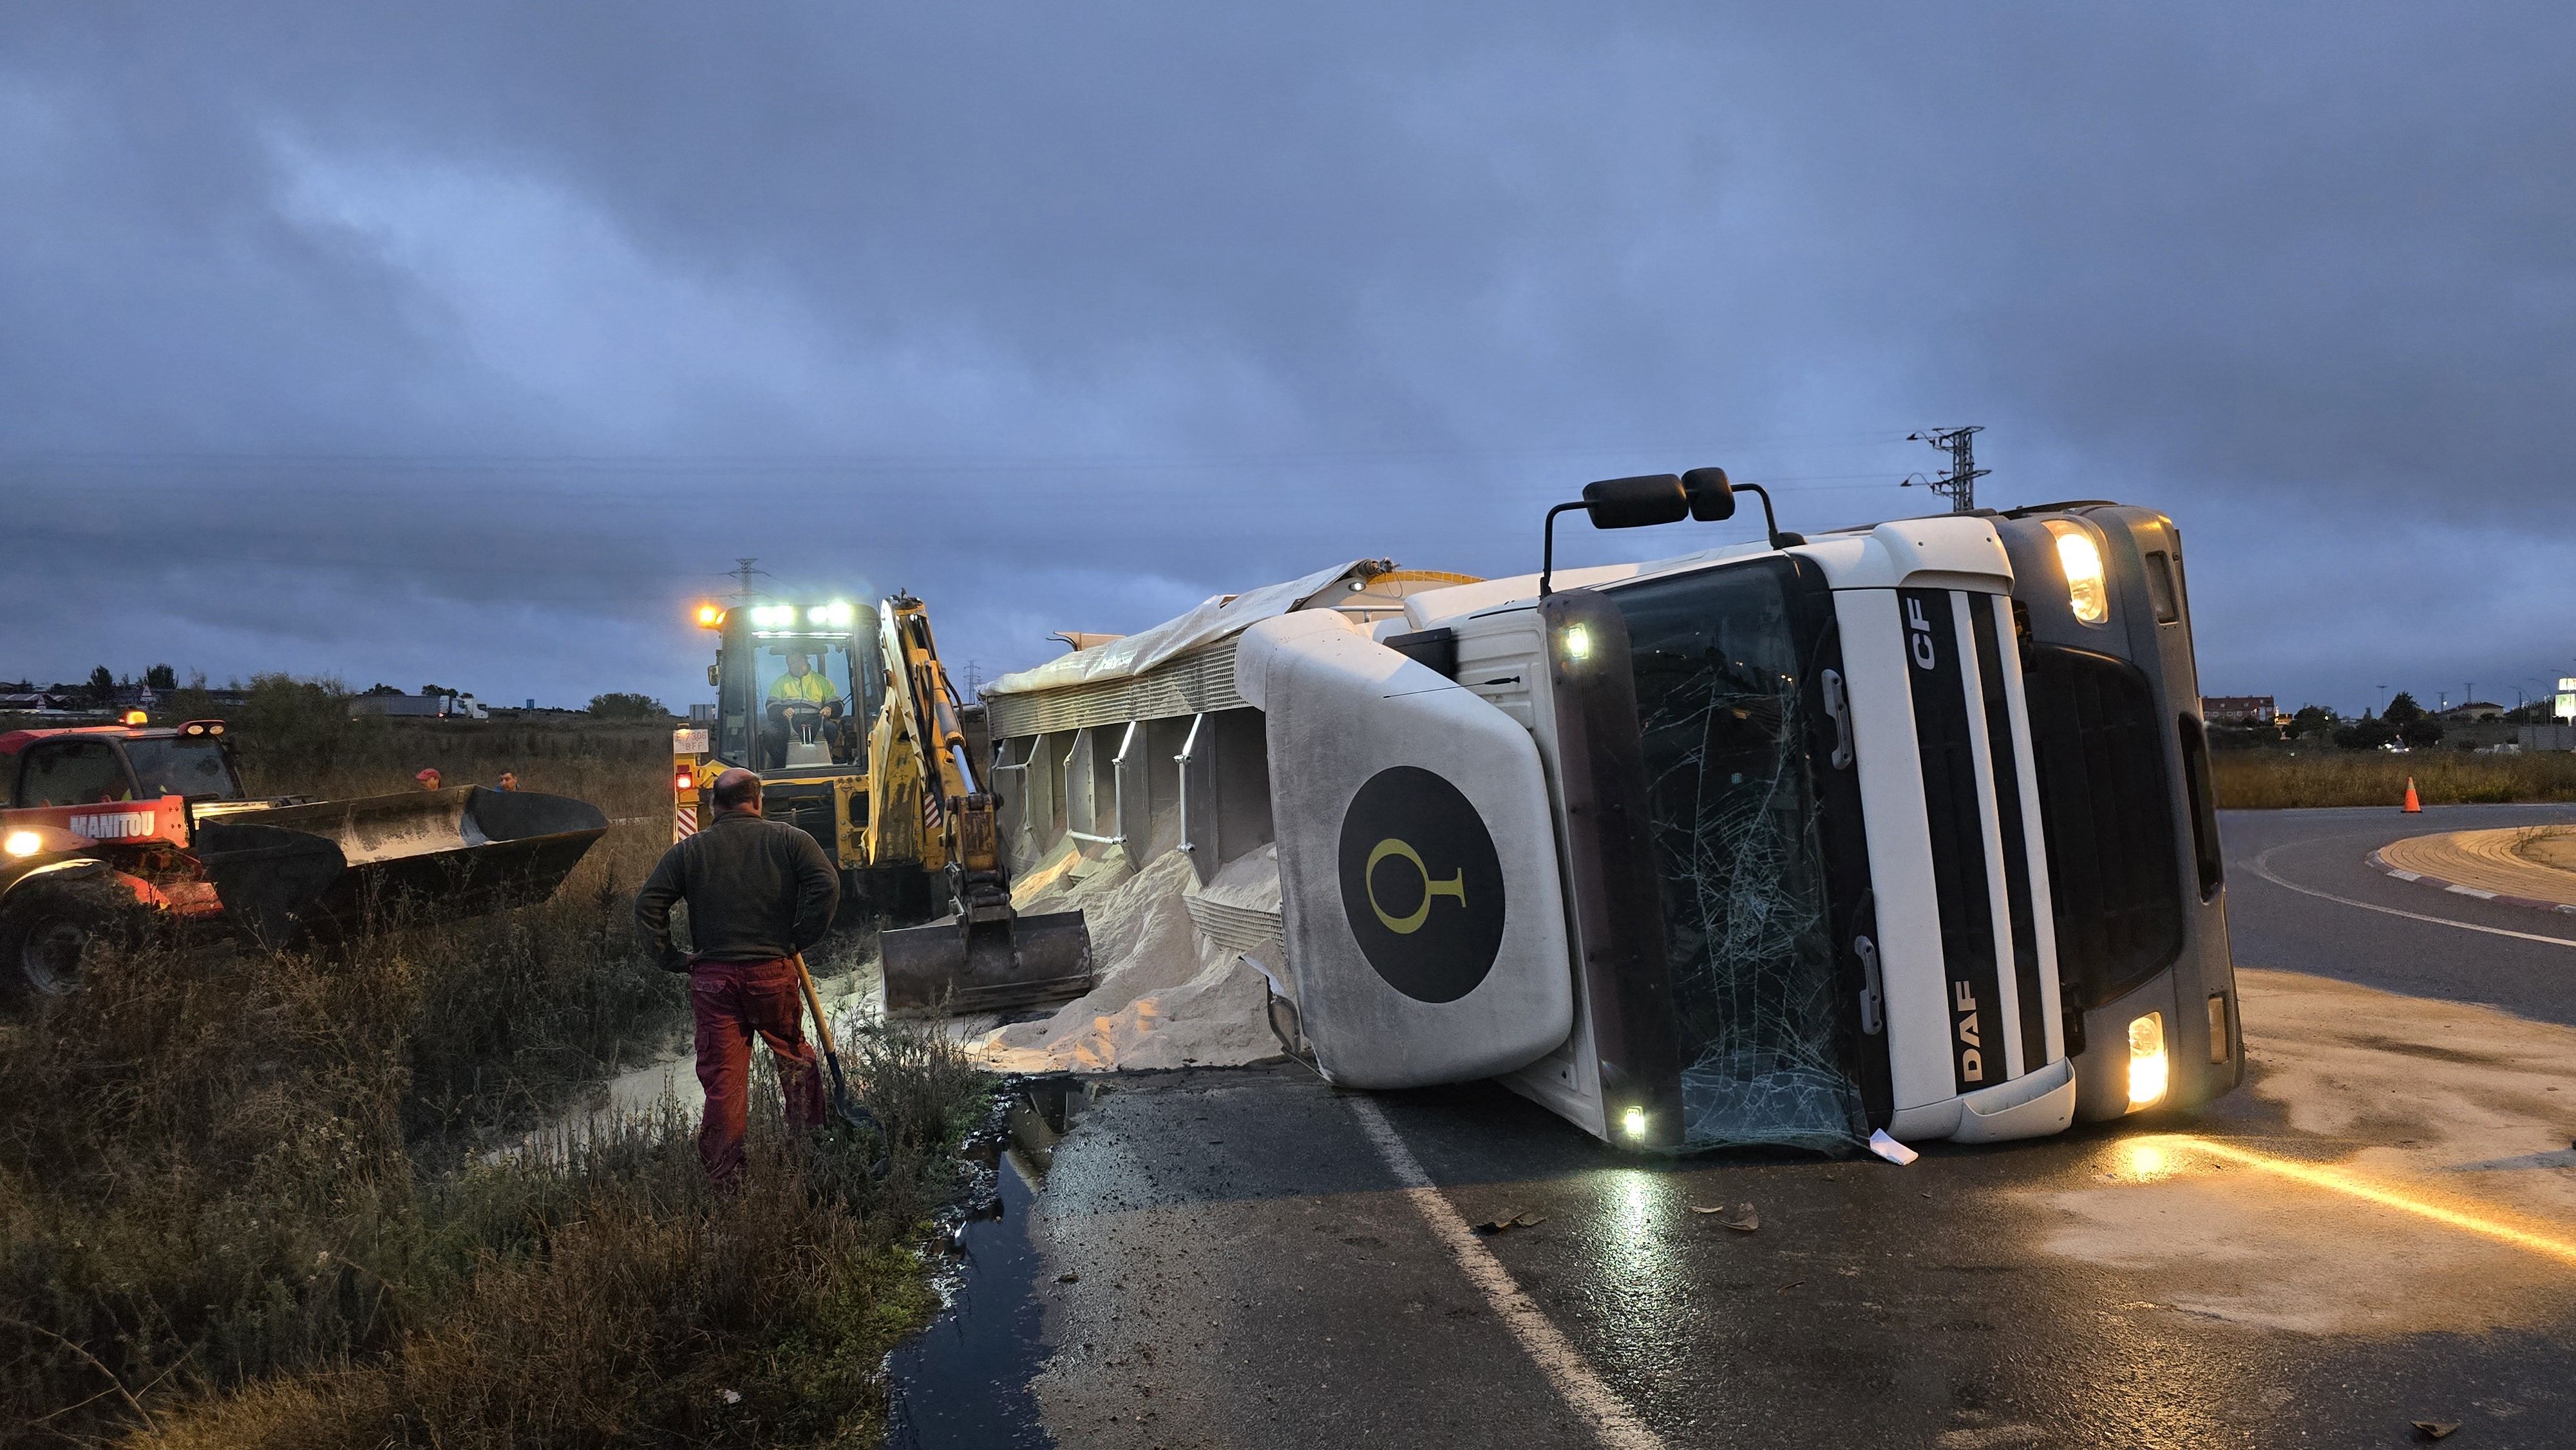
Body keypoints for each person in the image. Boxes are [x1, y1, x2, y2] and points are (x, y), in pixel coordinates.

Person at [633, 767, 840, 1184]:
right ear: (758, 800)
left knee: (724, 1081)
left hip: (713, 982)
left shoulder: (689, 852)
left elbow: (648, 905)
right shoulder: (789, 840)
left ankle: (727, 1184)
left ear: (714, 806)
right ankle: (809, 1154)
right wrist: (800, 937)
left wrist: (672, 958)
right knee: (795, 1059)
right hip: (772, 974)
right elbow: (827, 885)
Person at [761, 652, 838, 767]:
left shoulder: (822, 682)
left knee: (831, 728)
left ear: (806, 661)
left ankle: (827, 758)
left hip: (817, 722)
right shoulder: (780, 683)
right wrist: (783, 711)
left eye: (799, 661)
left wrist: (829, 708)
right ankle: (782, 765)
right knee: (770, 733)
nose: (796, 665)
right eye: (792, 663)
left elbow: (836, 702)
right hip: (788, 723)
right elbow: (772, 706)